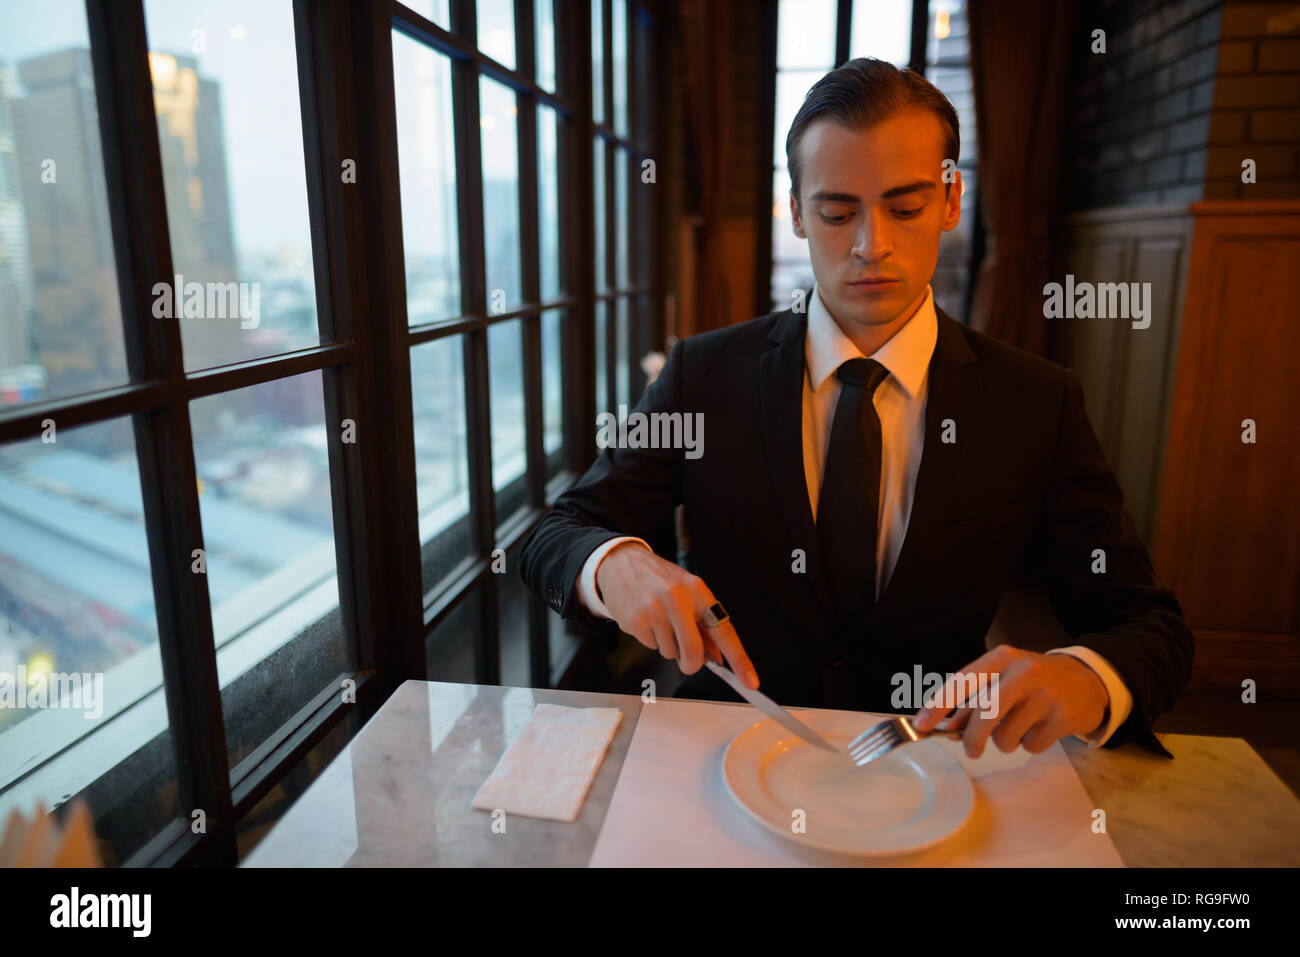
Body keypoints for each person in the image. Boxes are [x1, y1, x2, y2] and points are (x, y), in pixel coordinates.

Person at [520, 57, 1193, 758]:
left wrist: (1082, 675)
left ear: (951, 198)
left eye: (905, 208)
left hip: (936, 766)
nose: (873, 246)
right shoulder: (705, 374)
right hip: (727, 752)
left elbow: (1151, 626)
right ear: (796, 214)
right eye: (838, 213)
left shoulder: (1034, 400)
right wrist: (615, 564)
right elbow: (556, 534)